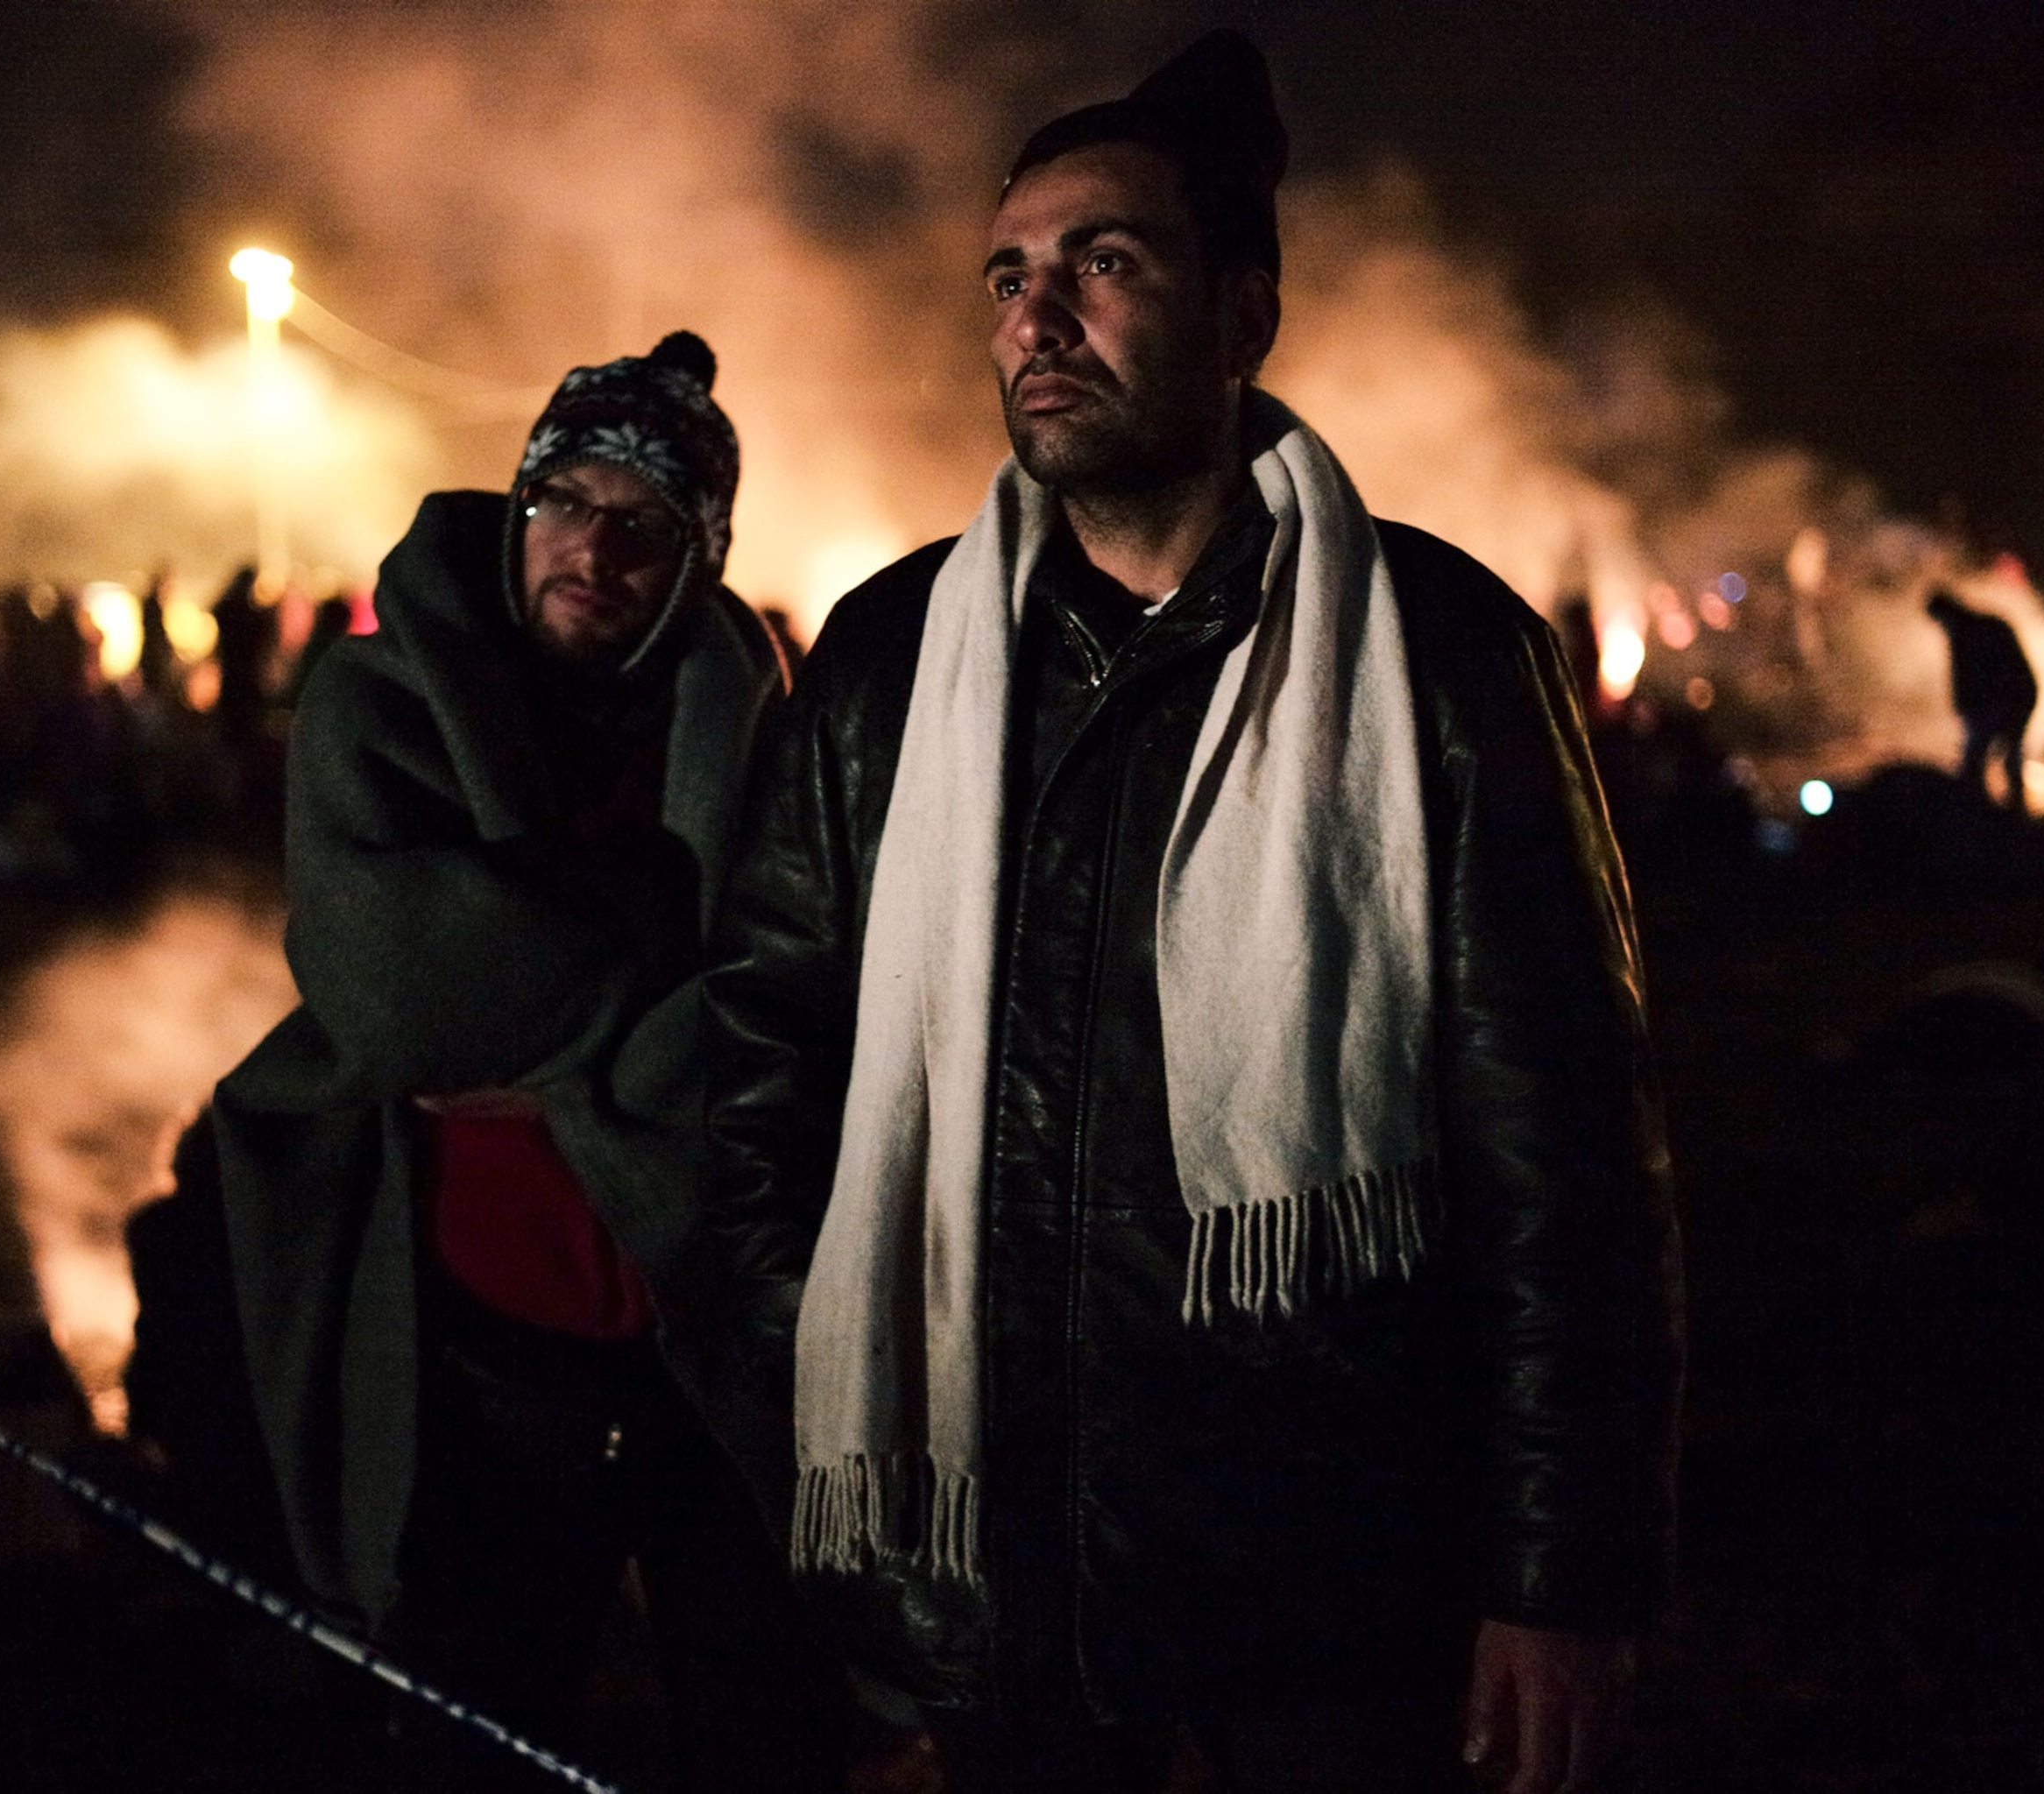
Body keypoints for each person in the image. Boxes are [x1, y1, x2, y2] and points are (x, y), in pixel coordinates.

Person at [697, 32, 1680, 1794]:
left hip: (1326, 1602)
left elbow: (1567, 1162)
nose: (1036, 318)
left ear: (1244, 315)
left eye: (1105, 262)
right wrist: (827, 1400)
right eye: (1008, 275)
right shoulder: (886, 666)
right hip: (980, 1584)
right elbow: (766, 1078)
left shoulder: (1436, 661)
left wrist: (1561, 1577)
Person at [211, 332, 842, 1790]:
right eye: (567, 499)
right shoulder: (382, 701)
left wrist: (547, 1011)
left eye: (644, 522)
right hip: (488, 1350)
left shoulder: (745, 713)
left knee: (767, 1735)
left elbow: (786, 1002)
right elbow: (403, 1003)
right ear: (518, 506)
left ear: (695, 555)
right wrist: (654, 949)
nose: (595, 547)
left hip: (713, 1333)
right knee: (477, 1732)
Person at [1926, 589, 2036, 809]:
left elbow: (1968, 676)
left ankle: (1980, 809)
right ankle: (2013, 810)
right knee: (2009, 758)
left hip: (2002, 701)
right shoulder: (1989, 625)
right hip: (2014, 698)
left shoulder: (1965, 634)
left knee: (1977, 761)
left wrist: (1967, 706)